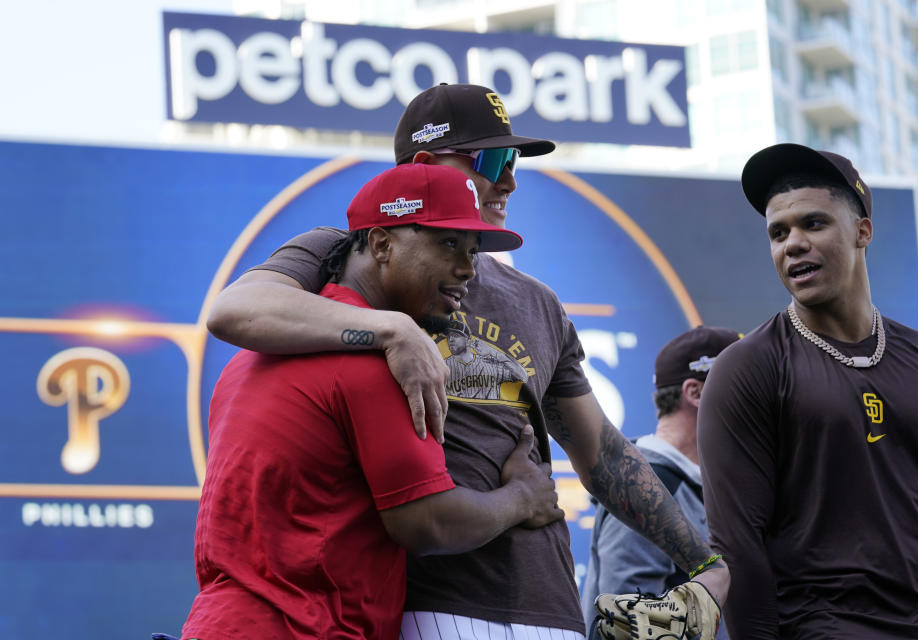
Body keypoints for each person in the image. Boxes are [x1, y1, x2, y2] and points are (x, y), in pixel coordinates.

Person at [207, 83, 729, 638]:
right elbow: (234, 309)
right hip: (427, 602)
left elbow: (602, 454)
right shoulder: (348, 251)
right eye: (495, 159)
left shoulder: (539, 302)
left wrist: (705, 564)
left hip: (548, 604)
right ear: (428, 164)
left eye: (515, 161)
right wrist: (394, 330)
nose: (510, 179)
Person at [179, 163, 565, 640]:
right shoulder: (381, 364)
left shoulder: (248, 358)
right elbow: (427, 524)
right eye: (448, 245)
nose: (468, 269)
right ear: (381, 245)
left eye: (472, 250)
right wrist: (521, 498)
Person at [698, 143, 918, 639]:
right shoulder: (748, 367)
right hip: (826, 628)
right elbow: (737, 547)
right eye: (779, 233)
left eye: (813, 224)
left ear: (862, 231)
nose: (792, 244)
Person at [581, 326, 738, 639]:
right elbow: (625, 627)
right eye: (746, 387)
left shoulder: (701, 485)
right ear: (695, 393)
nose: (761, 401)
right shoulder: (647, 488)